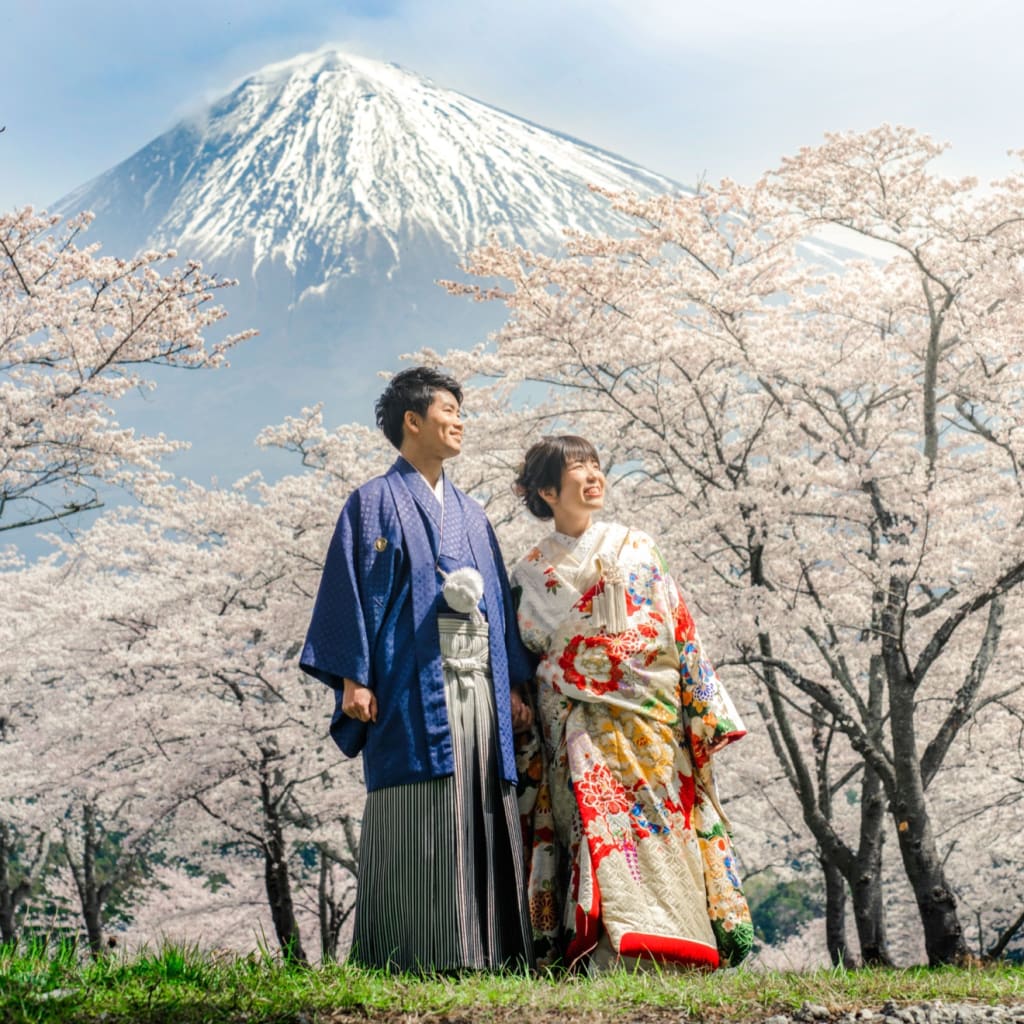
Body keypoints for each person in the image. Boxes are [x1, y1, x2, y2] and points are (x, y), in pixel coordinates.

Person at [300, 366, 534, 973]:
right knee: (422, 802)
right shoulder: (373, 502)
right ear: (412, 420)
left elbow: (500, 610)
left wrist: (509, 683)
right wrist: (354, 678)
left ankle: (491, 952)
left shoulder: (474, 514)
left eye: (461, 411)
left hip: (479, 681)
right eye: (448, 410)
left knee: (481, 792)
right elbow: (352, 593)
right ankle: (420, 951)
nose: (459, 420)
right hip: (410, 685)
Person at [511, 435, 753, 971]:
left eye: (596, 465)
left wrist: (701, 706)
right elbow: (527, 655)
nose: (594, 476)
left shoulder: (637, 547)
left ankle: (680, 945)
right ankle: (603, 952)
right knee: (591, 825)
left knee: (661, 823)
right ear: (548, 490)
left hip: (649, 715)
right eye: (578, 468)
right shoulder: (527, 573)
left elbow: (676, 627)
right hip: (574, 721)